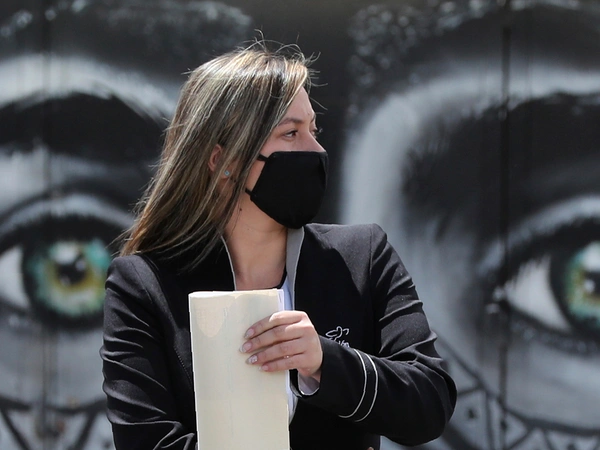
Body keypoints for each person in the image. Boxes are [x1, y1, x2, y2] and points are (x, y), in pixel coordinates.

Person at [100, 42, 456, 450]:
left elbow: (430, 402)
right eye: (291, 133)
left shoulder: (362, 256)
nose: (316, 150)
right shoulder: (144, 285)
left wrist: (323, 362)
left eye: (313, 130)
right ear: (223, 160)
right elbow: (144, 439)